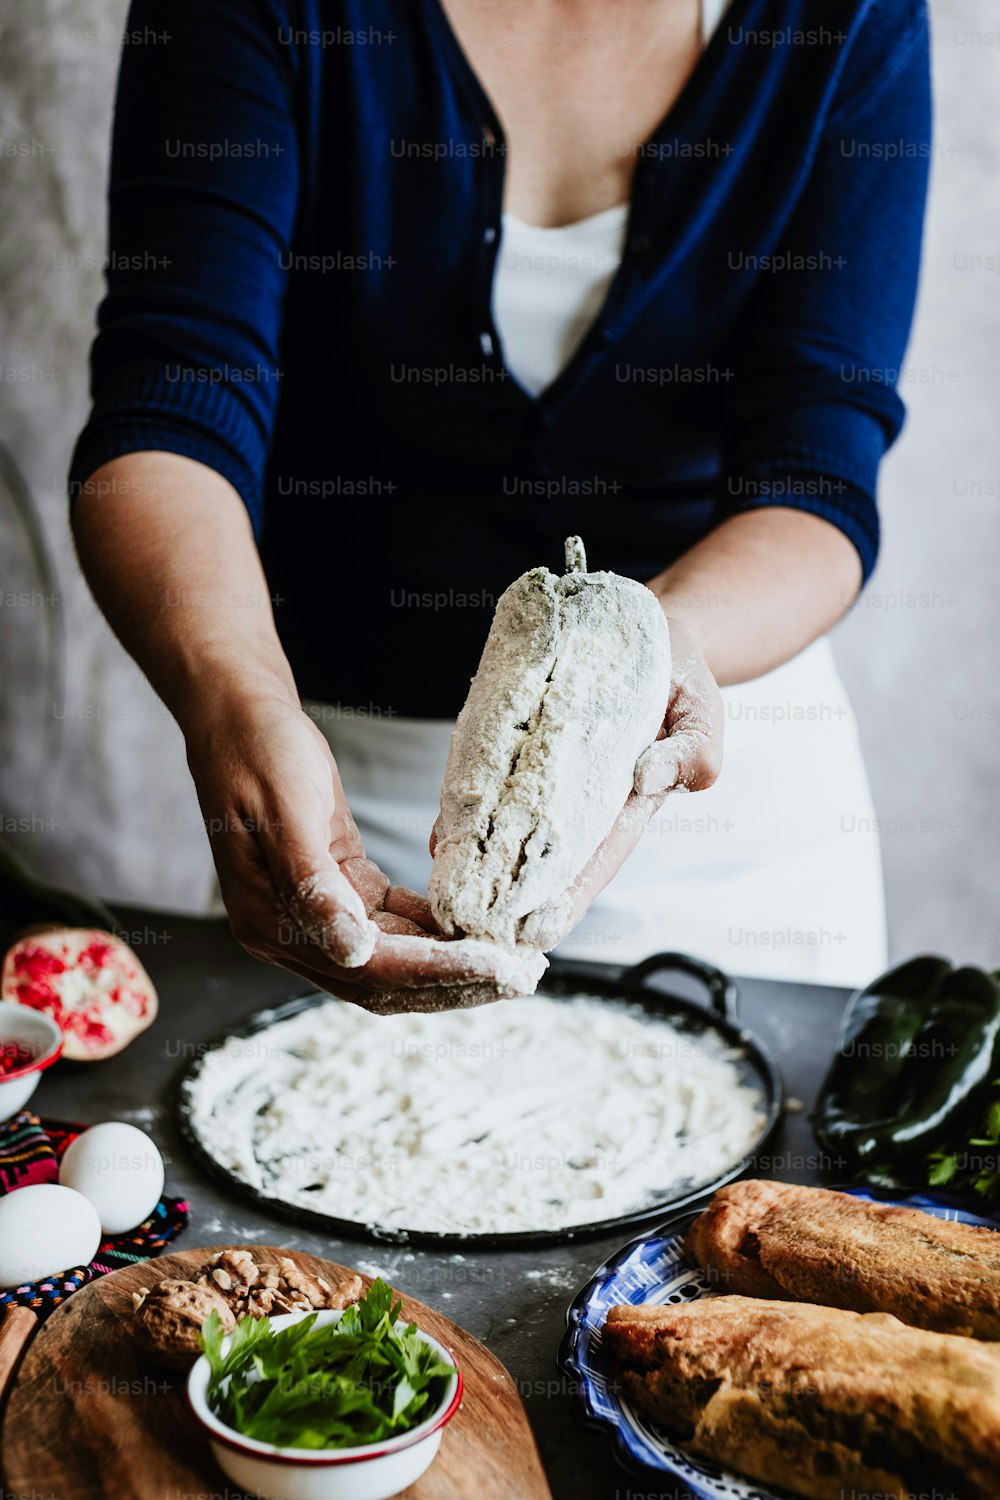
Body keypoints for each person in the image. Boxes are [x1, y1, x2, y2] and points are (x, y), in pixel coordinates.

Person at [69, 0, 931, 1005]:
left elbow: (815, 480)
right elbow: (172, 403)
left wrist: (647, 655)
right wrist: (230, 701)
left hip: (714, 797)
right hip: (361, 815)